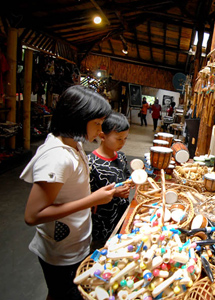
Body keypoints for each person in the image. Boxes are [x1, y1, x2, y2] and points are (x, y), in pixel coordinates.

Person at [20, 85, 115, 300]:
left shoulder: (73, 143)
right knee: (64, 293)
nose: (101, 131)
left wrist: (90, 199)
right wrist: (90, 200)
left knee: (57, 293)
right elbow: (32, 216)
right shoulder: (57, 157)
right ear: (78, 119)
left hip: (74, 240)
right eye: (97, 124)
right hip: (61, 250)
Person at [87, 112, 132, 250]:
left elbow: (126, 177)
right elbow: (88, 197)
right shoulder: (91, 163)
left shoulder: (121, 157)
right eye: (118, 139)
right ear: (102, 136)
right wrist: (114, 193)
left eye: (125, 138)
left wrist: (132, 181)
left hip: (122, 214)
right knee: (102, 251)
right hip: (102, 223)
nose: (122, 143)